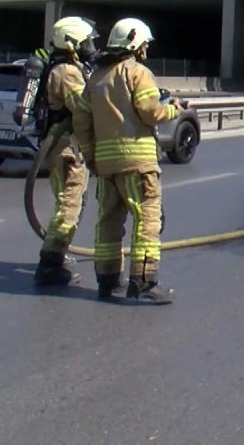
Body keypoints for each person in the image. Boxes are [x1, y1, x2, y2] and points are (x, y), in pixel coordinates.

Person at [73, 17, 183, 303]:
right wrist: (173, 110)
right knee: (147, 220)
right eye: (144, 44)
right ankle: (144, 282)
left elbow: (81, 119)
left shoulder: (96, 77)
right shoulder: (137, 72)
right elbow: (150, 112)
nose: (146, 49)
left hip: (106, 166)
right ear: (136, 43)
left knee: (108, 222)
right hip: (138, 163)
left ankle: (108, 282)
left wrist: (90, 156)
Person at [32, 16, 101, 288]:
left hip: (63, 146)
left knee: (68, 201)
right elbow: (83, 108)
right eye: (86, 42)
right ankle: (50, 264)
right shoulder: (67, 72)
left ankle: (56, 254)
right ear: (72, 44)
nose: (90, 46)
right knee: (70, 203)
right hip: (67, 148)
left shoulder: (65, 67)